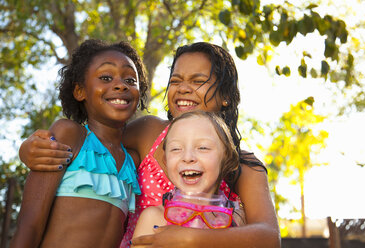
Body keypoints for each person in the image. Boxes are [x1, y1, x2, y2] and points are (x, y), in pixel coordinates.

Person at [19, 42, 281, 248]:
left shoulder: (242, 164)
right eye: (176, 81)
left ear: (225, 96)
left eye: (198, 81)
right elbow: (98, 141)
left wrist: (189, 240)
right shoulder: (149, 132)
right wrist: (30, 147)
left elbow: (268, 237)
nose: (183, 89)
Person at [10, 39, 148, 248]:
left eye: (130, 80)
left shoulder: (132, 162)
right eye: (106, 77)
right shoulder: (69, 135)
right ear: (80, 92)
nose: (120, 85)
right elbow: (30, 224)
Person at [132, 111, 242, 244]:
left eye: (203, 147)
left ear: (227, 158)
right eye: (176, 149)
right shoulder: (154, 217)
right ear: (166, 160)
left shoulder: (238, 220)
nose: (188, 157)